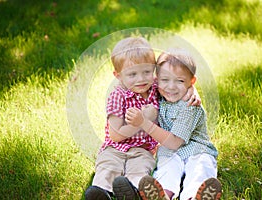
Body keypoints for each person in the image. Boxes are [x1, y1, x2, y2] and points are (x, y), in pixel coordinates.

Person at [85, 38, 201, 200]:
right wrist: (143, 120)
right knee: (108, 166)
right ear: (118, 76)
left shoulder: (154, 87)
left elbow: (176, 82)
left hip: (143, 149)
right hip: (115, 147)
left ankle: (132, 191)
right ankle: (101, 192)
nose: (141, 79)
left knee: (140, 169)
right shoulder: (117, 96)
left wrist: (191, 90)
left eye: (147, 72)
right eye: (132, 74)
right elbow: (116, 135)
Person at [126, 48, 222, 200]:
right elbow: (135, 85)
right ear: (157, 79)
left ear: (191, 81)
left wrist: (144, 123)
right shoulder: (158, 92)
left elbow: (174, 142)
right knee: (167, 169)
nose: (171, 86)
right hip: (170, 153)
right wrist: (189, 87)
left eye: (180, 81)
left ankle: (195, 197)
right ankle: (163, 195)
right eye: (165, 80)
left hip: (197, 149)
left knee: (201, 168)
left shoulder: (190, 105)